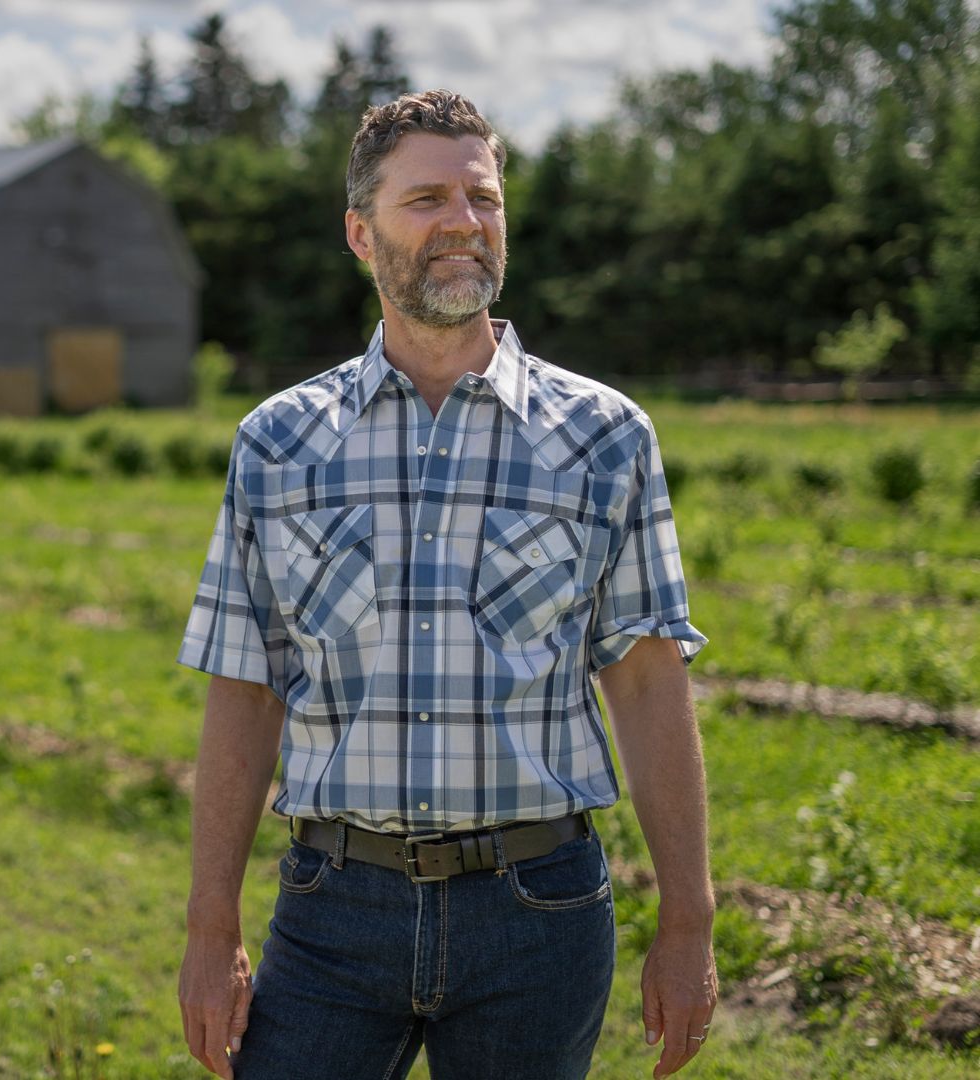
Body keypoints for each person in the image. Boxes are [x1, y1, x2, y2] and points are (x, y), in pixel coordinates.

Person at [177, 88, 716, 1080]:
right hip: (332, 909)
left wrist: (689, 921)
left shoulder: (604, 437)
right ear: (359, 230)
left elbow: (647, 684)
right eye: (426, 199)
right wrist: (211, 926)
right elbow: (245, 687)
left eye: (482, 197)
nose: (464, 222)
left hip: (540, 916)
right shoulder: (278, 442)